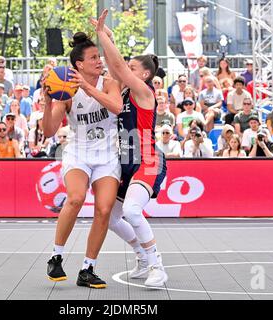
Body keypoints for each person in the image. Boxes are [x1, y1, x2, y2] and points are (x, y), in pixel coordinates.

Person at [93, 10, 168, 287]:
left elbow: (120, 68)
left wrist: (103, 35)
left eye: (133, 68)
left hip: (147, 159)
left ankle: (157, 266)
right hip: (124, 161)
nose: (126, 69)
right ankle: (140, 254)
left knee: (133, 211)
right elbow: (117, 68)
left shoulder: (145, 93)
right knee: (111, 218)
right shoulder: (123, 90)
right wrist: (106, 38)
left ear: (145, 74)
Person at [44, 30, 123, 289]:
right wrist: (48, 101)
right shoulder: (66, 91)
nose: (99, 61)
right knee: (76, 198)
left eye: (99, 56)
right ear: (79, 64)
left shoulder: (109, 83)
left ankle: (87, 269)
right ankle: (56, 256)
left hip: (107, 155)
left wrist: (88, 86)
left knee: (103, 210)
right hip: (79, 153)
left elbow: (116, 107)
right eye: (93, 58)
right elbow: (48, 131)